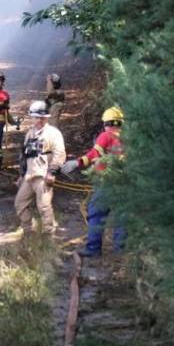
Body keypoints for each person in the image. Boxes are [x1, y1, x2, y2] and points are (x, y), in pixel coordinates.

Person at [77, 106, 126, 257]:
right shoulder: (128, 138)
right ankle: (120, 252)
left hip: (106, 182)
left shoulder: (105, 135)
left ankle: (93, 249)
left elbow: (94, 153)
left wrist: (78, 162)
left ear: (106, 123)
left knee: (96, 213)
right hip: (124, 183)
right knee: (122, 217)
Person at [15, 100, 66, 234]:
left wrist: (52, 172)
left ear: (46, 118)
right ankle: (28, 231)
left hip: (43, 176)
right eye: (36, 117)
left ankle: (49, 234)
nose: (39, 120)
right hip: (29, 176)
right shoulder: (29, 134)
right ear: (32, 118)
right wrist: (21, 175)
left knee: (44, 207)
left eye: (42, 117)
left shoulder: (53, 133)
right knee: (20, 203)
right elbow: (24, 156)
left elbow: (59, 153)